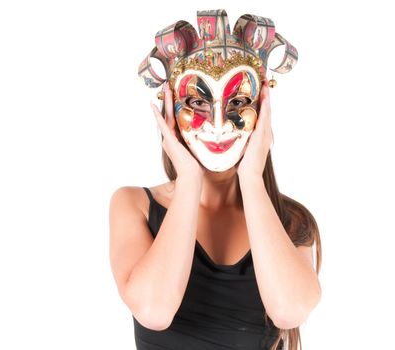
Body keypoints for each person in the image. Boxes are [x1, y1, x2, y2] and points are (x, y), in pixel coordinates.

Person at [109, 9, 322, 350]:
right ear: (170, 109)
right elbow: (154, 310)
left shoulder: (291, 220)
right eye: (197, 101)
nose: (219, 123)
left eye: (238, 101)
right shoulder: (132, 205)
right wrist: (189, 181)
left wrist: (251, 176)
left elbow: (289, 310)